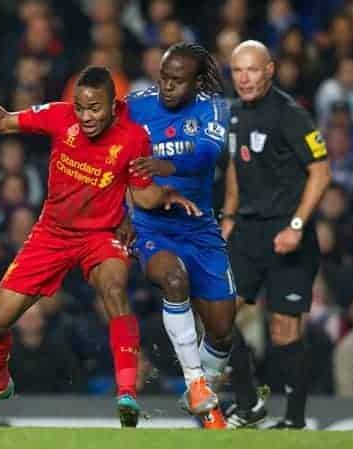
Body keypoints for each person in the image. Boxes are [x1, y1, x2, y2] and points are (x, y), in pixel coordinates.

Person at [0, 60, 200, 427]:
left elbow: (143, 197)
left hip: (100, 237)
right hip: (51, 234)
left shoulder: (133, 138)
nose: (86, 116)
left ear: (113, 104)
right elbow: (1, 121)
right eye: (81, 107)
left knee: (115, 289)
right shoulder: (58, 116)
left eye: (95, 108)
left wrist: (165, 196)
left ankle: (127, 393)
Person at [221, 40, 331, 429]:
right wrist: (230, 215)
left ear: (270, 70)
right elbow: (235, 165)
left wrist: (297, 226)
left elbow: (320, 171)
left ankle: (295, 421)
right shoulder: (233, 115)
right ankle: (248, 402)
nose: (245, 78)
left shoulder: (289, 114)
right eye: (237, 71)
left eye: (252, 70)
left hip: (288, 232)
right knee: (216, 315)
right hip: (248, 231)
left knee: (284, 329)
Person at [126, 42, 235, 429]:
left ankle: (199, 390)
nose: (167, 87)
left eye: (177, 81)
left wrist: (166, 163)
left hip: (200, 227)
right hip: (152, 224)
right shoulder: (136, 105)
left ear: (197, 81)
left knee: (223, 331)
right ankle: (198, 387)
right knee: (174, 281)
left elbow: (208, 153)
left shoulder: (213, 108)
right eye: (163, 78)